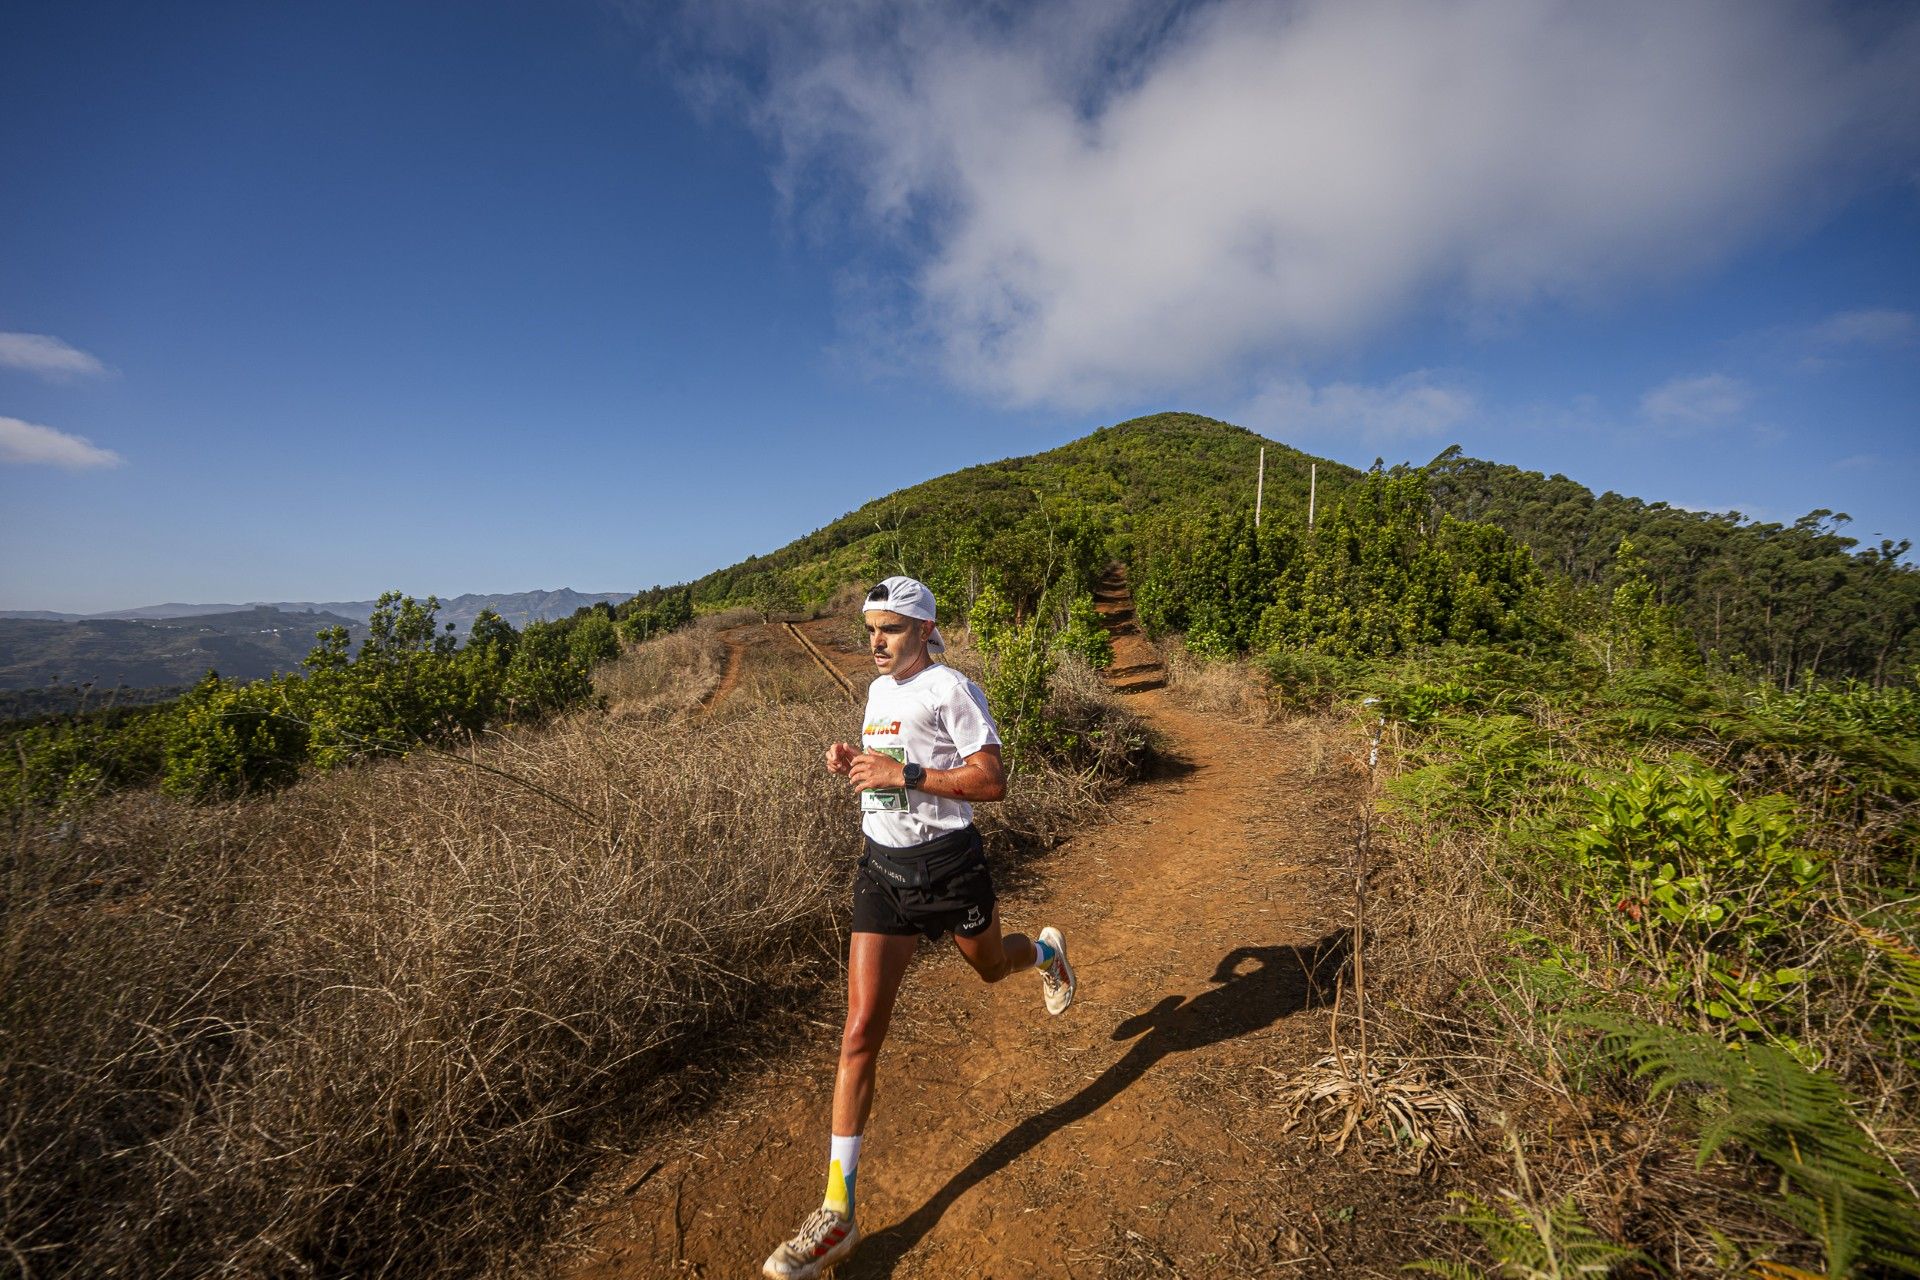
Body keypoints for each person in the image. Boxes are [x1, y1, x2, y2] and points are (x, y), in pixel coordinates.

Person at [761, 576, 1078, 1280]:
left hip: (950, 871)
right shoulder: (878, 693)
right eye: (871, 627)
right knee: (859, 1031)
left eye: (892, 628)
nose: (876, 640)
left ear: (925, 630)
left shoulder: (950, 688)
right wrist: (856, 765)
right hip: (884, 875)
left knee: (993, 966)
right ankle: (837, 1215)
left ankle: (1046, 951)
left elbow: (991, 781)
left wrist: (901, 774)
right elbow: (889, 769)